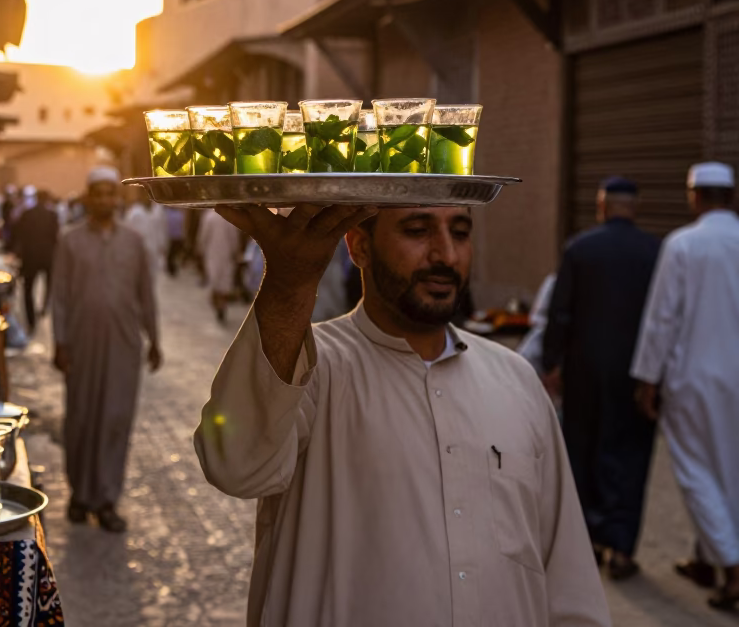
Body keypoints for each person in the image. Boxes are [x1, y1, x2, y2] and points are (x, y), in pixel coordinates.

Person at [194, 204, 610, 626]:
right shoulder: (313, 367)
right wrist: (287, 285)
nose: (445, 255)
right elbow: (235, 465)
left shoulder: (516, 379)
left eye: (461, 232)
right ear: (359, 247)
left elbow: (569, 582)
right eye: (417, 230)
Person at [541, 177, 661, 580]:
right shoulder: (656, 251)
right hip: (636, 371)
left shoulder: (580, 249)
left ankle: (589, 541)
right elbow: (664, 316)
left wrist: (551, 363)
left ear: (602, 206)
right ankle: (623, 550)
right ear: (635, 207)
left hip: (585, 369)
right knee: (630, 455)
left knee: (583, 450)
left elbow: (560, 312)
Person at [632, 161, 739, 610]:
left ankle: (732, 570)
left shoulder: (683, 245)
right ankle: (706, 557)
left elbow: (662, 319)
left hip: (694, 378)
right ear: (731, 197)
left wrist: (646, 377)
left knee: (697, 471)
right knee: (729, 469)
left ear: (694, 196)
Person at [51, 166, 162, 532]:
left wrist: (155, 339)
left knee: (115, 419)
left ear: (117, 198)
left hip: (123, 344)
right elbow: (61, 297)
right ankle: (80, 495)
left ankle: (107, 499)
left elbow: (146, 294)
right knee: (81, 418)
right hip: (82, 343)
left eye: (109, 193)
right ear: (87, 198)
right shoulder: (69, 240)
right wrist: (60, 341)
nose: (103, 200)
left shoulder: (133, 242)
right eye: (97, 193)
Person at [10, 190, 60, 330]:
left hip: (30, 257)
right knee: (48, 285)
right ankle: (44, 307)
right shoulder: (52, 215)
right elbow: (55, 237)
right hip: (47, 256)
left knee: (28, 289)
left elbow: (19, 235)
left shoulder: (27, 214)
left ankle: (31, 319)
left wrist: (18, 253)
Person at [198, 208, 241, 323]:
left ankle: (220, 305)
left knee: (217, 282)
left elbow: (203, 235)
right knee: (222, 282)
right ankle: (220, 305)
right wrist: (235, 252)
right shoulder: (229, 217)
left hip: (213, 254)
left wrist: (201, 248)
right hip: (223, 254)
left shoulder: (209, 216)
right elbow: (234, 239)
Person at [124, 188, 166, 272]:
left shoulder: (158, 210)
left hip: (154, 251)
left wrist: (162, 246)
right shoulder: (134, 213)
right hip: (138, 253)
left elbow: (162, 229)